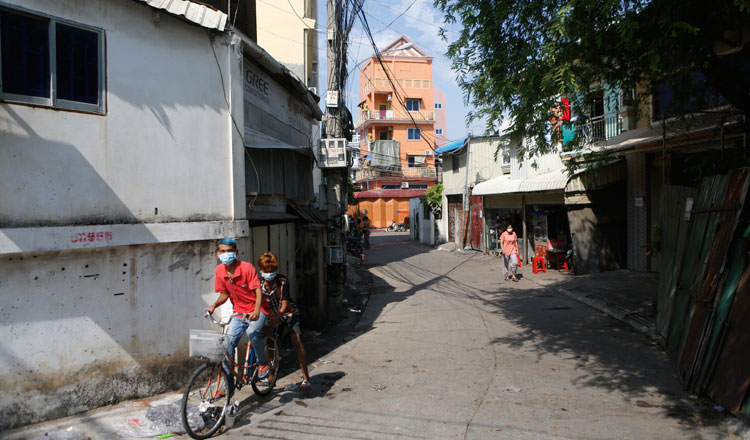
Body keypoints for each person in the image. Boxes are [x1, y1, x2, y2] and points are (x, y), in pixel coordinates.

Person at [205, 238, 269, 393]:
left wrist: (256, 310)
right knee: (227, 344)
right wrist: (214, 305)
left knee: (253, 332)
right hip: (239, 311)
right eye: (223, 251)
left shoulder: (246, 268)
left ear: (236, 253)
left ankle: (262, 363)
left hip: (258, 309)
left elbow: (258, 291)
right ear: (217, 254)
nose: (226, 254)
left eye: (229, 251)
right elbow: (225, 294)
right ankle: (229, 386)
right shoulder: (220, 271)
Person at [257, 252, 312, 389]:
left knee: (296, 342)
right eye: (266, 271)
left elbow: (285, 304)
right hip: (271, 314)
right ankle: (270, 377)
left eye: (272, 271)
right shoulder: (258, 283)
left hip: (288, 313)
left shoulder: (282, 281)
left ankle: (306, 377)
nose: (269, 274)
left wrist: (276, 318)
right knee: (268, 343)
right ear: (261, 270)